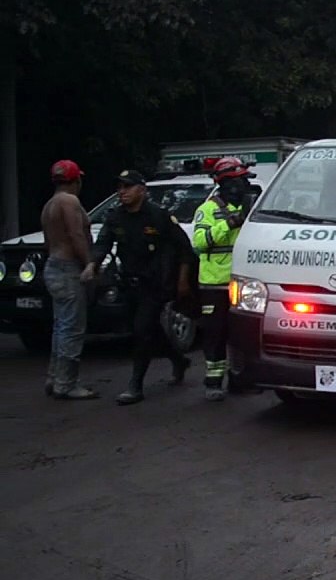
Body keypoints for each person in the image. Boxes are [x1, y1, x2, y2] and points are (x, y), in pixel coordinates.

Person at [93, 170, 195, 404]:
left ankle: (135, 385)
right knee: (150, 330)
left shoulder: (159, 216)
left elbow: (184, 250)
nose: (122, 192)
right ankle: (178, 360)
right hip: (129, 283)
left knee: (141, 331)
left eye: (127, 187)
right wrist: (92, 264)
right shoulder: (115, 216)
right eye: (120, 187)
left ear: (141, 190)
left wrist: (182, 282)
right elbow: (103, 243)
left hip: (155, 284)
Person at [192, 157, 254, 401]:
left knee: (243, 334)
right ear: (227, 183)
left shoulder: (251, 207)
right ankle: (213, 381)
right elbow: (200, 242)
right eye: (240, 180)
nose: (245, 185)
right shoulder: (207, 210)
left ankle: (240, 379)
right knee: (215, 334)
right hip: (214, 284)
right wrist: (231, 222)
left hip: (244, 283)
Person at [40, 160, 98, 400]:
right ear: (76, 180)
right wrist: (89, 263)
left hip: (54, 265)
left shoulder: (50, 204)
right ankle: (66, 383)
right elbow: (76, 234)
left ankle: (54, 377)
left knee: (60, 327)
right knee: (72, 328)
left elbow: (48, 241)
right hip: (68, 268)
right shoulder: (70, 201)